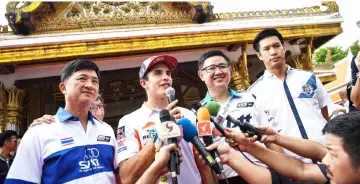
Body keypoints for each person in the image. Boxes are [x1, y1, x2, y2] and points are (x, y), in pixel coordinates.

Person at [6, 59, 120, 184]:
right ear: (63, 87)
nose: (89, 85)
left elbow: (118, 176)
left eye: (95, 81)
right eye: (82, 79)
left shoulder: (106, 130)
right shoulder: (39, 133)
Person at [117, 55, 211, 184]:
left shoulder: (187, 115)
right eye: (157, 73)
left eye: (168, 73)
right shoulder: (129, 121)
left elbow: (203, 164)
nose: (166, 77)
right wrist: (159, 137)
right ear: (144, 83)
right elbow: (126, 177)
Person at [197, 50, 283, 184]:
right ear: (201, 75)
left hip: (263, 173)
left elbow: (270, 139)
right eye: (211, 68)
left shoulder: (252, 98)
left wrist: (284, 171)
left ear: (230, 70)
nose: (218, 71)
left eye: (222, 66)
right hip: (225, 178)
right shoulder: (197, 112)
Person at [248, 28, 332, 162]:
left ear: (283, 48)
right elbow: (267, 136)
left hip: (327, 152)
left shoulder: (308, 78)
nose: (273, 52)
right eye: (266, 49)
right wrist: (286, 165)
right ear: (259, 55)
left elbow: (324, 113)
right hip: (296, 162)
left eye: (277, 46)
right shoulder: (254, 93)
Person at [216, 111, 360, 184]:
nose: (325, 160)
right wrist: (248, 146)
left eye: (333, 154)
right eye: (327, 151)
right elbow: (301, 170)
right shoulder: (338, 173)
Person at [29, 94, 106, 128]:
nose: (99, 112)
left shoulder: (106, 131)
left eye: (101, 106)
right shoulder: (51, 124)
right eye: (93, 107)